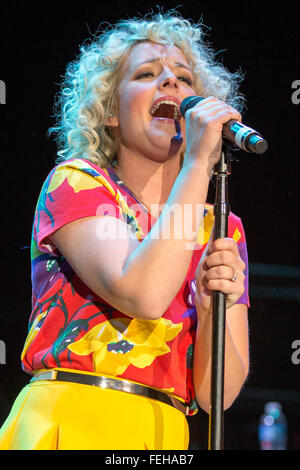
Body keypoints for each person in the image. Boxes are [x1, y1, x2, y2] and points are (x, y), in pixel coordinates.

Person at [0, 11, 249, 450]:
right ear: (110, 112)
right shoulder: (79, 184)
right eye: (148, 74)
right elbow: (143, 293)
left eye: (185, 78)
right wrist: (197, 163)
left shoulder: (220, 226)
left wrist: (211, 308)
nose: (171, 83)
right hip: (75, 416)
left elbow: (219, 395)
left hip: (163, 433)